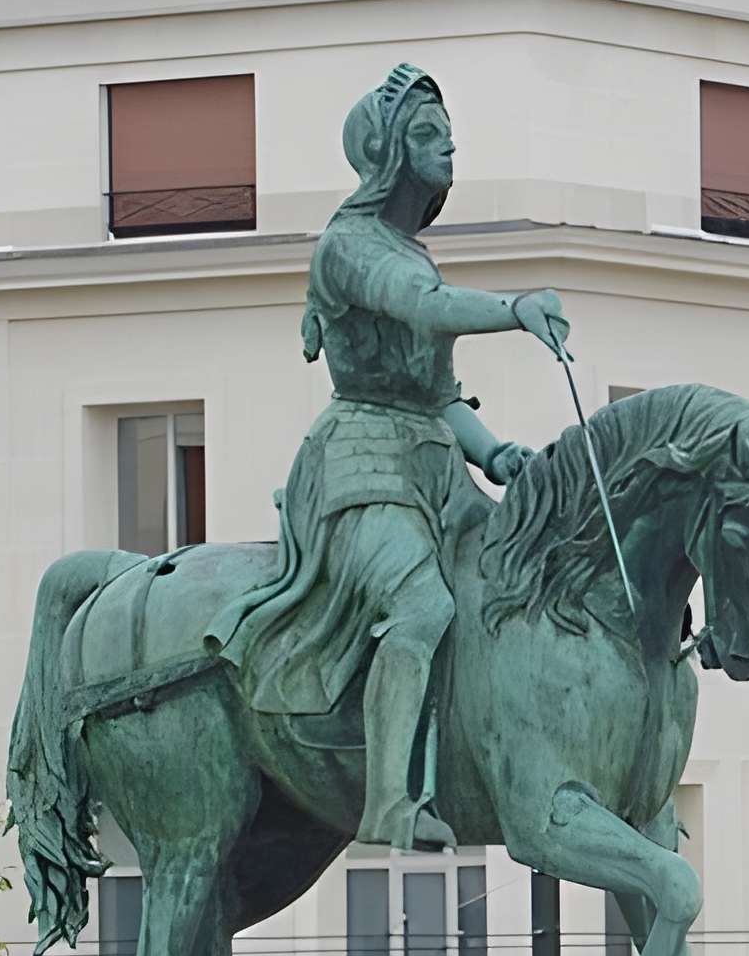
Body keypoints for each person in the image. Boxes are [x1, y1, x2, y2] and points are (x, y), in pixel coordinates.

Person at [212, 65, 568, 852]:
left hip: (437, 467)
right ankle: (386, 804)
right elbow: (423, 310)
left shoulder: (411, 251)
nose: (447, 150)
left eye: (448, 136)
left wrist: (495, 452)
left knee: (504, 593)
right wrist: (515, 311)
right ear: (388, 154)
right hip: (361, 463)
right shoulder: (349, 247)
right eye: (427, 137)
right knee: (424, 608)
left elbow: (439, 393)